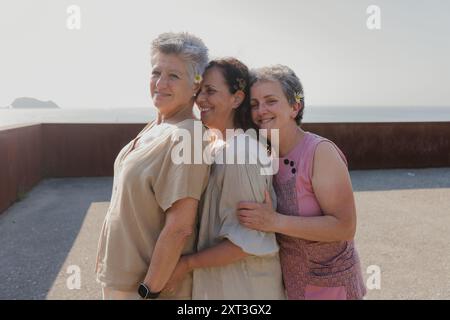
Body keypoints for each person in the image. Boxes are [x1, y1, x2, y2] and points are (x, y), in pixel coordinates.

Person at [95, 32, 210, 300]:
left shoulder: (188, 136)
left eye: (174, 76)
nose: (160, 83)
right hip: (118, 279)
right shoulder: (156, 126)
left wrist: (148, 290)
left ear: (196, 84)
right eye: (156, 72)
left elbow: (179, 227)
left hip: (142, 288)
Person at [237, 65, 366, 300]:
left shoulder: (320, 152)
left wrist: (274, 221)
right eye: (254, 104)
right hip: (293, 287)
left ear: (294, 107)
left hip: (332, 287)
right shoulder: (264, 153)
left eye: (271, 101)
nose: (261, 111)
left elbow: (345, 227)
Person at [163, 58, 285, 299]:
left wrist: (185, 264)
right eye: (199, 91)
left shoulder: (242, 152)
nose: (200, 99)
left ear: (236, 98)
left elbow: (245, 242)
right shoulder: (219, 145)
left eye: (210, 91)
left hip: (245, 291)